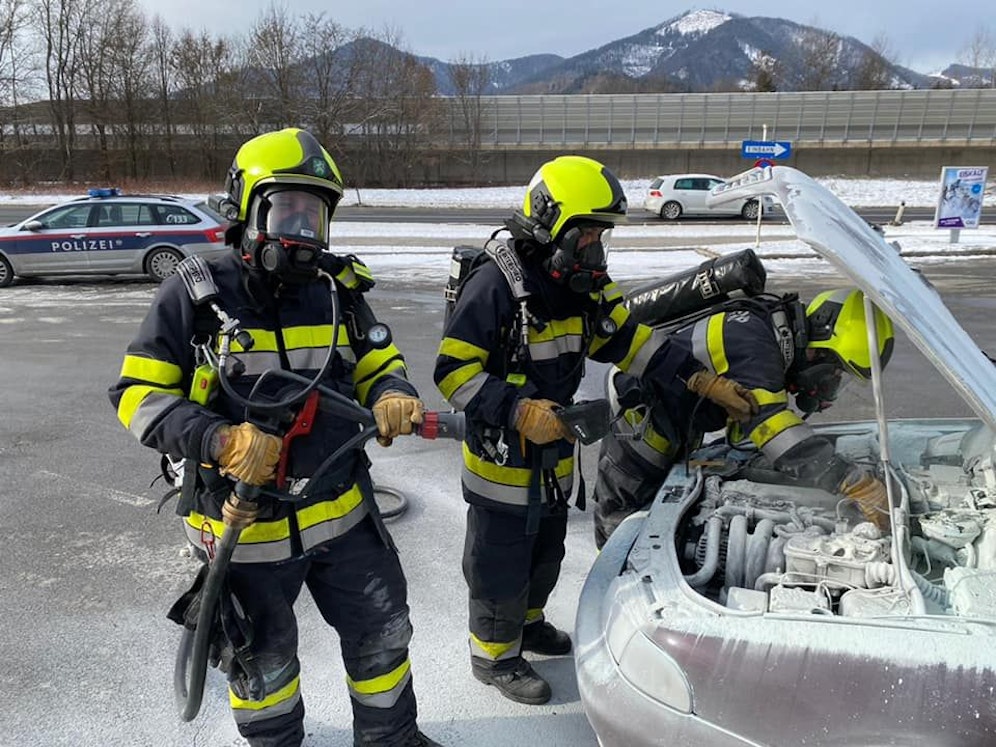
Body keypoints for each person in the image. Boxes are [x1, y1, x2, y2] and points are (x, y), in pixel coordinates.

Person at [109, 127, 441, 747]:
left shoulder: (338, 291)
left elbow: (377, 362)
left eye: (315, 214)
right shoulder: (196, 293)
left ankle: (391, 739)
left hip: (341, 514)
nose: (302, 230)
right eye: (287, 209)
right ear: (247, 208)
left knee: (383, 632)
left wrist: (393, 393)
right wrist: (216, 438)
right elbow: (135, 395)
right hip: (245, 527)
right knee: (263, 665)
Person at [433, 154, 758, 705]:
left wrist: (699, 379)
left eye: (600, 237)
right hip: (503, 463)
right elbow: (453, 371)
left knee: (546, 553)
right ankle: (495, 658)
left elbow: (632, 341)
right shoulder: (496, 285)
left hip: (555, 457)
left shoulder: (582, 286)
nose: (595, 250)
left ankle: (528, 627)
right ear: (549, 224)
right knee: (499, 564)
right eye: (585, 236)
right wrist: (517, 410)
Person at [593, 287, 895, 549]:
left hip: (678, 419)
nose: (830, 386)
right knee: (624, 526)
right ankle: (613, 596)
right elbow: (771, 427)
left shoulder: (770, 334)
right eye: (835, 373)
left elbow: (745, 435)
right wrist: (852, 481)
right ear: (819, 348)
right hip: (641, 423)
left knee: (664, 510)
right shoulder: (755, 345)